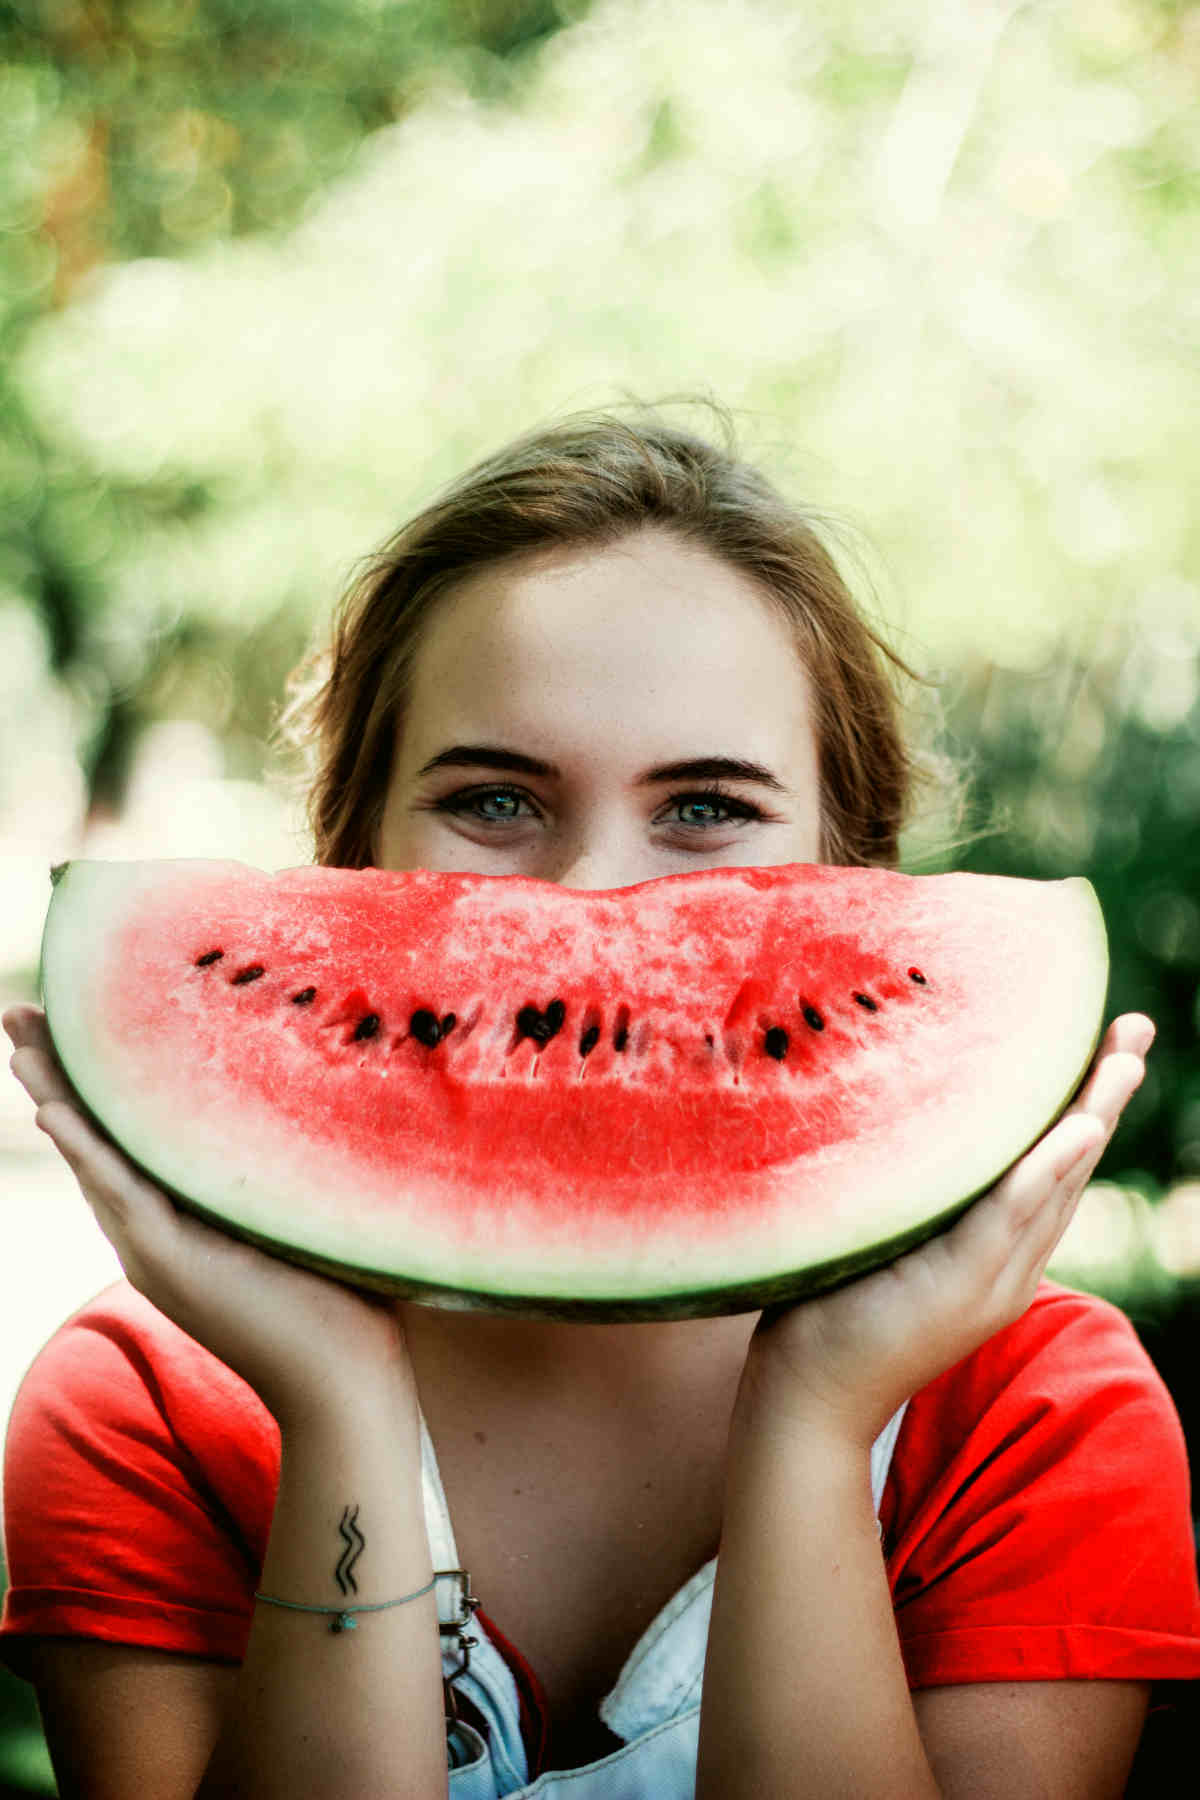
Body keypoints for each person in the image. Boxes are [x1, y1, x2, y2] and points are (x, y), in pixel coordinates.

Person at [3, 403, 1199, 1800]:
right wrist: (337, 1402)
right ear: (351, 856)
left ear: (855, 875)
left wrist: (815, 1423)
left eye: (705, 808)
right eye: (496, 801)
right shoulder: (151, 1404)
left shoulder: (1030, 1411)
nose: (592, 906)